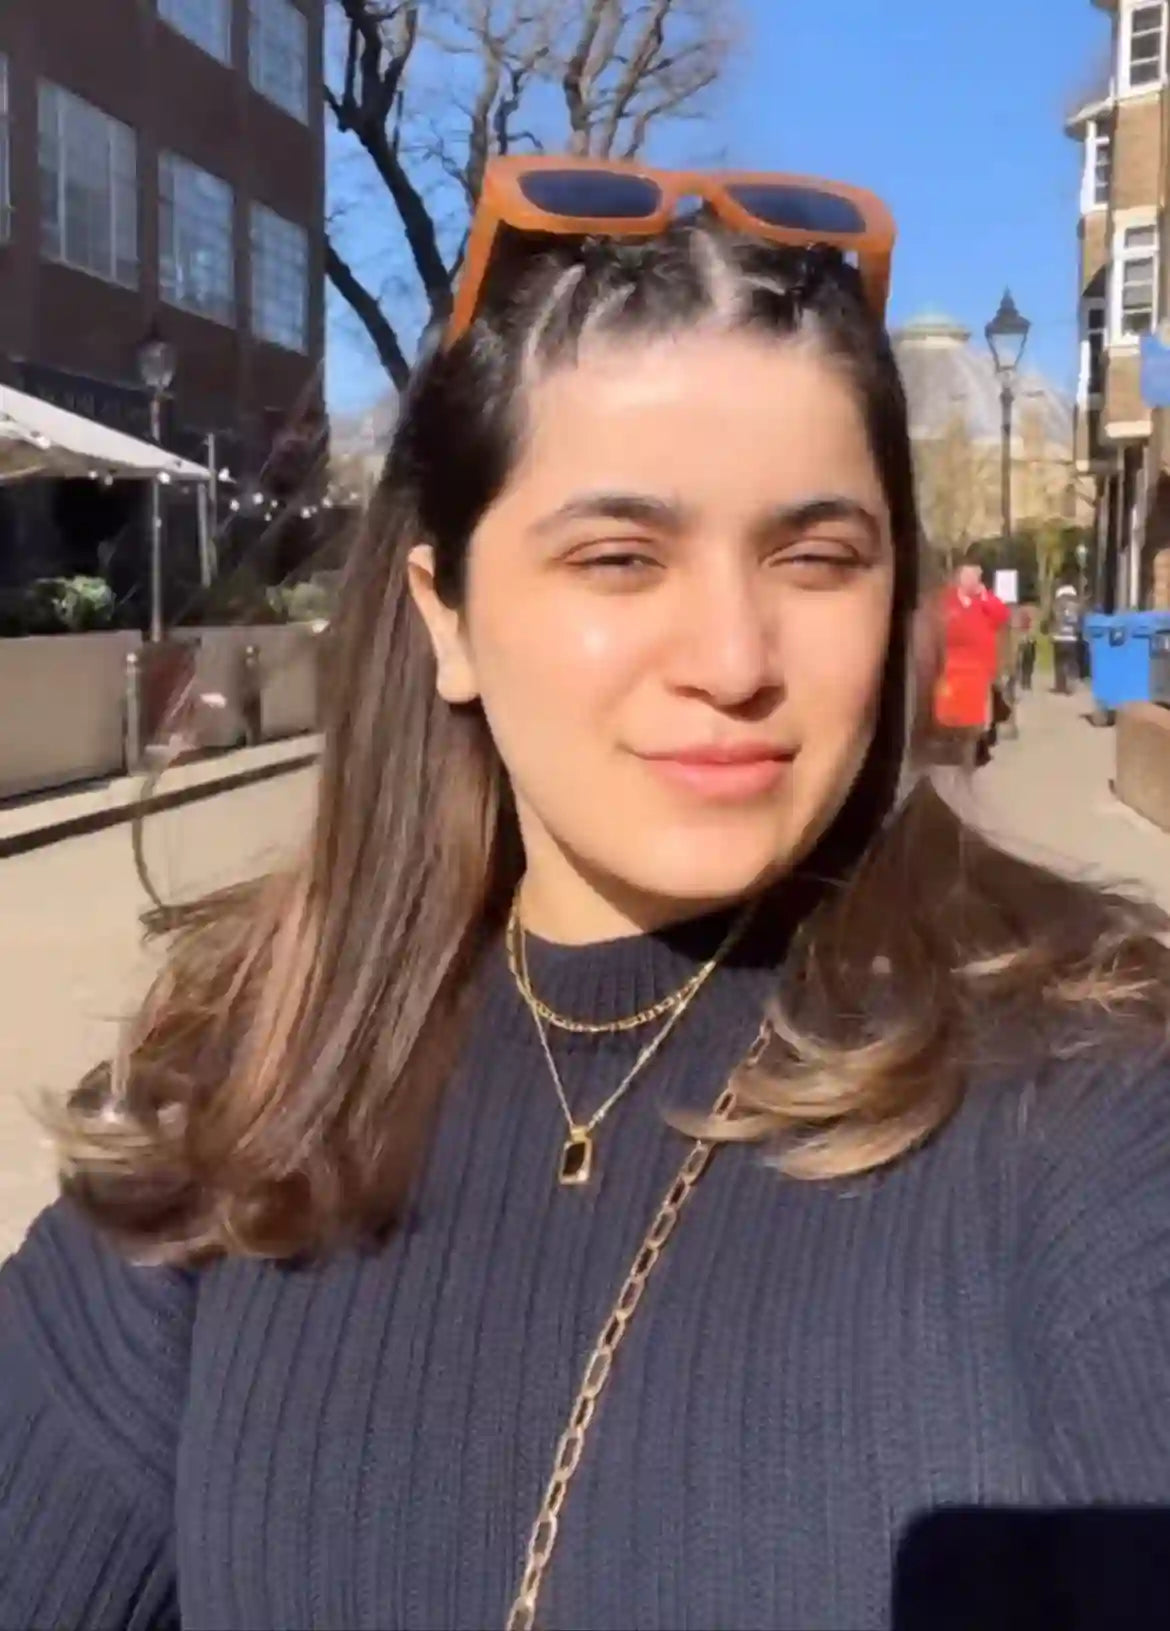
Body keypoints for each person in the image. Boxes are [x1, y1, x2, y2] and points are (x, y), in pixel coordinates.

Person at [4, 160, 1170, 1631]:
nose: (733, 653)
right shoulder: (248, 1086)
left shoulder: (1090, 1086)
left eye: (815, 556)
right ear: (449, 616)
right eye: (619, 556)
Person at [931, 561, 1010, 767]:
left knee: (979, 719)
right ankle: (953, 749)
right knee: (952, 714)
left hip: (981, 671)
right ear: (960, 578)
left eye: (977, 577)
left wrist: (984, 597)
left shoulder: (983, 601)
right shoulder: (947, 602)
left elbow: (1001, 616)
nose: (973, 581)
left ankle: (973, 750)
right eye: (969, 577)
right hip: (952, 671)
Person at [1050, 581, 1084, 695]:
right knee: (1071, 661)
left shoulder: (1056, 604)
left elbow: (1051, 618)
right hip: (1072, 637)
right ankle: (1071, 684)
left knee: (1059, 661)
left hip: (1058, 636)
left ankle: (1060, 685)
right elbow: (1081, 620)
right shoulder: (1077, 605)